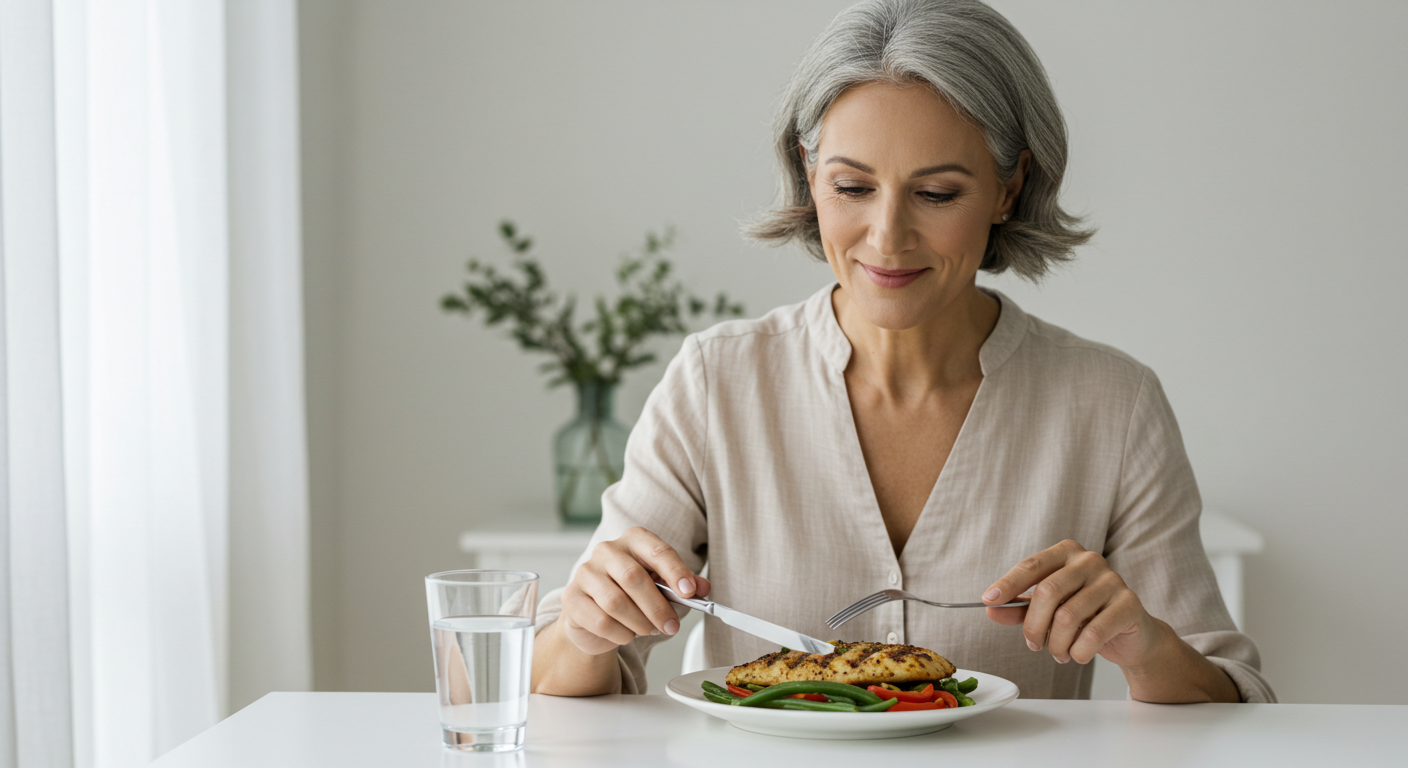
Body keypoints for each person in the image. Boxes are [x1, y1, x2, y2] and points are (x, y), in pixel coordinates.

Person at [530, 0, 1274, 703]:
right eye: (852, 186)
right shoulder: (715, 382)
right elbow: (551, 679)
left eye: (938, 194)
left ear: (1009, 187)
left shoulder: (1112, 404)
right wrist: (589, 627)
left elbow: (1234, 698)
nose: (887, 238)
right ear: (808, 173)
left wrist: (1142, 644)